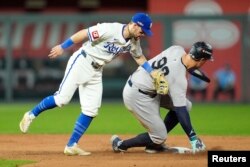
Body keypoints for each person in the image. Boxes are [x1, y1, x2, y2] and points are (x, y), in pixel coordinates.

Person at [19, 13, 161, 156]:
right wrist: (63, 46)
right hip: (82, 61)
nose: (143, 34)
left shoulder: (133, 41)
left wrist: (152, 72)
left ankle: (71, 145)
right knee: (62, 99)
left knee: (91, 110)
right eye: (142, 31)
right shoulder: (110, 29)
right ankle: (31, 114)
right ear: (135, 25)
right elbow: (83, 33)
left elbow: (139, 57)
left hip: (97, 70)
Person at [111, 41, 213, 154]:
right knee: (160, 136)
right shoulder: (178, 81)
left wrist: (193, 70)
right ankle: (120, 144)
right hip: (137, 95)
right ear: (202, 60)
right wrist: (193, 138)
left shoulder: (177, 49)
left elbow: (179, 65)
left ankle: (154, 146)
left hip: (146, 84)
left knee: (187, 105)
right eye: (206, 60)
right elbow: (180, 111)